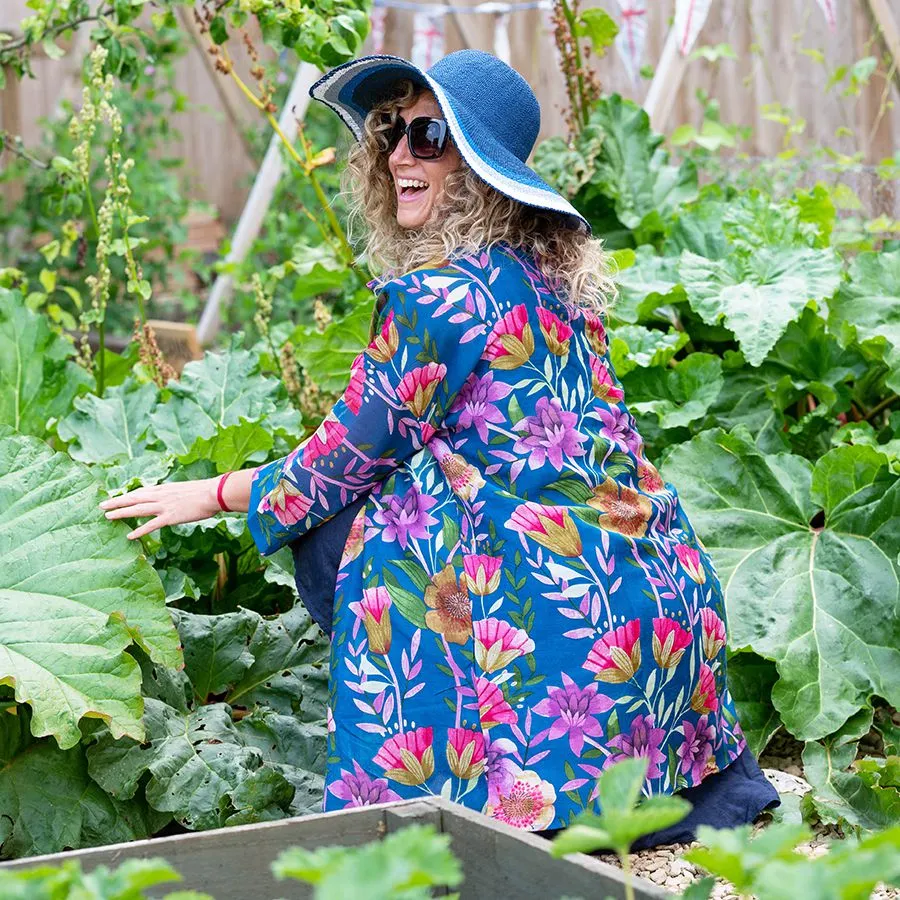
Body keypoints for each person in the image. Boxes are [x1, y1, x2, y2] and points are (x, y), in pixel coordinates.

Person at [98, 49, 778, 841]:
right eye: (392, 130)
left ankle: (448, 786)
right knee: (412, 490)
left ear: (481, 168)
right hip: (662, 608)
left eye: (430, 136)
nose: (398, 156)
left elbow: (335, 463)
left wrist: (209, 493)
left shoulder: (440, 298)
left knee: (348, 523)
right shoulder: (552, 283)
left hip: (576, 642)